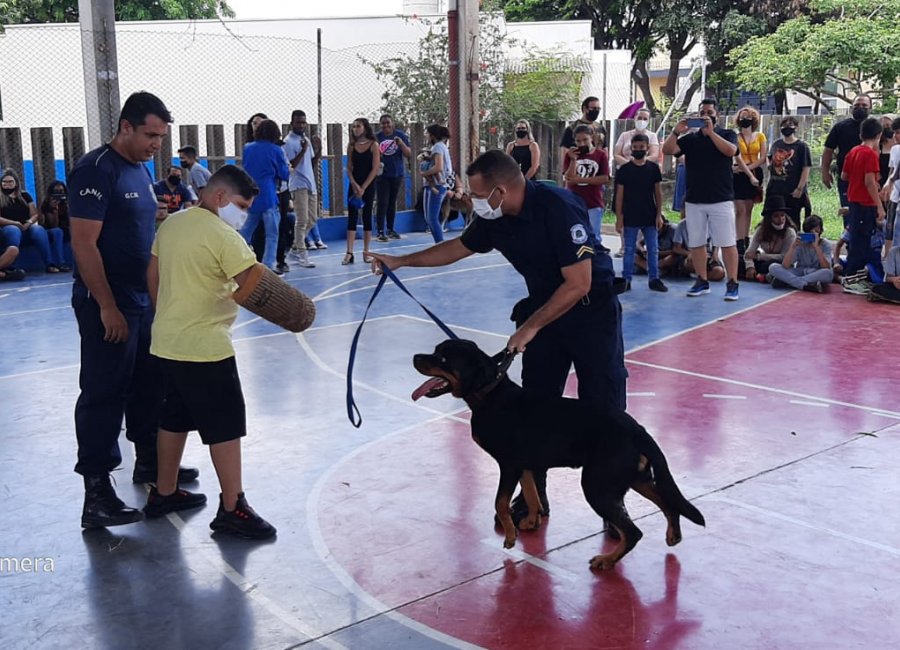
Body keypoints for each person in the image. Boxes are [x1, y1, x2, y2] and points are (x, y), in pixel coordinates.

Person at [368, 149, 627, 524]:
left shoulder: (558, 207)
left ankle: (611, 501)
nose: (471, 201)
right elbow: (458, 247)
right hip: (544, 311)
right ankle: (533, 498)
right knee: (535, 409)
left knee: (603, 406)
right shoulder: (495, 218)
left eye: (476, 195)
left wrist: (530, 327)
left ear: (500, 191)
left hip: (590, 311)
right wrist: (402, 261)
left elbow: (578, 282)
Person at [68, 91, 198, 529]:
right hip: (109, 302)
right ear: (125, 126)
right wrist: (106, 306)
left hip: (143, 301)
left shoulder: (140, 170)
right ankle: (97, 492)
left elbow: (132, 225)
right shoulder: (94, 169)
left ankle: (150, 465)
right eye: (150, 134)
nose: (156, 144)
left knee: (151, 385)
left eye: (161, 137)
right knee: (105, 392)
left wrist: (155, 214)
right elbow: (84, 244)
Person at [143, 164, 276, 539]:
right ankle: (234, 507)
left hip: (167, 341)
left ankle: (163, 493)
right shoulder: (223, 235)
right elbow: (254, 283)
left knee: (175, 417)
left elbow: (152, 274)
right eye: (241, 205)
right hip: (206, 347)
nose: (244, 214)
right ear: (219, 197)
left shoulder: (171, 224)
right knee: (225, 425)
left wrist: (167, 313)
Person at [662, 97, 741, 300]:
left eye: (709, 112)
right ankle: (701, 280)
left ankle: (732, 283)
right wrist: (676, 131)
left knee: (727, 242)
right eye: (702, 113)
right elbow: (668, 150)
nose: (706, 115)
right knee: (697, 243)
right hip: (695, 199)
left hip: (721, 198)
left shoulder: (727, 134)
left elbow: (731, 151)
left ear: (717, 115)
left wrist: (711, 133)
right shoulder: (690, 139)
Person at [614, 133, 667, 292]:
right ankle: (626, 279)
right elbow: (619, 196)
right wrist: (619, 218)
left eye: (641, 148)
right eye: (635, 148)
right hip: (630, 215)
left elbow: (658, 193)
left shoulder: (653, 169)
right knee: (629, 249)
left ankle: (654, 279)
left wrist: (659, 214)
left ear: (647, 148)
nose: (638, 150)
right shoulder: (624, 170)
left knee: (653, 248)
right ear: (631, 149)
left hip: (649, 214)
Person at [239, 119, 289, 273]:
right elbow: (284, 174)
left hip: (252, 194)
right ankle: (268, 266)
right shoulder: (276, 150)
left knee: (245, 233)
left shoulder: (248, 148)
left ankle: (239, 260)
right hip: (268, 195)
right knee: (272, 234)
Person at [841, 116, 886, 277]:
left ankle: (851, 274)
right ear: (878, 135)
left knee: (855, 238)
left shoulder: (853, 151)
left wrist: (857, 177)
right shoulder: (869, 154)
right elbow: (869, 182)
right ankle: (854, 276)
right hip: (865, 203)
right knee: (863, 242)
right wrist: (879, 205)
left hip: (853, 201)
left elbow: (844, 176)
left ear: (861, 135)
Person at [0, 169, 68, 273]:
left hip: (26, 227)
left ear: (16, 183)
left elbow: (35, 214)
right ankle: (10, 266)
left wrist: (29, 222)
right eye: (4, 181)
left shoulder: (25, 195)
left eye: (10, 181)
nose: (7, 184)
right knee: (13, 230)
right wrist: (14, 223)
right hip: (7, 228)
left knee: (38, 229)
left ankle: (50, 264)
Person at [822, 94, 873, 209]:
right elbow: (828, 150)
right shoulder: (840, 127)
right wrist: (825, 172)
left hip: (870, 178)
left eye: (864, 105)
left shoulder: (876, 127)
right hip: (846, 178)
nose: (860, 108)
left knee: (869, 215)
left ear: (870, 108)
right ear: (851, 108)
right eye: (857, 105)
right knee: (848, 212)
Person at [732, 106, 767, 265]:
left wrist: (748, 170)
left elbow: (763, 158)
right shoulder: (734, 136)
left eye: (748, 116)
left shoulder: (760, 136)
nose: (745, 119)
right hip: (737, 174)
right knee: (739, 209)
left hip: (754, 173)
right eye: (742, 116)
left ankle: (746, 240)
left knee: (748, 209)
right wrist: (737, 168)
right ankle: (738, 242)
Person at [284, 110, 318, 269]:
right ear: (292, 123)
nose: (301, 125)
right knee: (302, 219)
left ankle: (294, 249)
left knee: (312, 218)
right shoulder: (288, 142)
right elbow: (291, 165)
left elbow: (310, 162)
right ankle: (303, 255)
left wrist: (318, 149)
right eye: (298, 122)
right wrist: (303, 150)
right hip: (298, 184)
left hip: (310, 182)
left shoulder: (305, 140)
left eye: (303, 122)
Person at [344, 118, 381, 264]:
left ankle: (366, 251)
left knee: (367, 217)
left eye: (358, 126)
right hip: (354, 185)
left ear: (365, 128)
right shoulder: (351, 145)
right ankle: (349, 252)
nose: (355, 129)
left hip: (369, 185)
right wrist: (354, 184)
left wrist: (364, 187)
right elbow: (349, 167)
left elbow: (375, 168)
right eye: (353, 127)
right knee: (352, 216)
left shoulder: (373, 145)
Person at [563, 124, 609, 239]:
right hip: (574, 201)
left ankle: (595, 256)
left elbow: (604, 178)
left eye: (585, 140)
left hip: (593, 201)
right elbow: (569, 179)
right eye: (578, 141)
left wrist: (582, 179)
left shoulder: (600, 155)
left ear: (592, 138)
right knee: (576, 234)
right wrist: (573, 159)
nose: (582, 144)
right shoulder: (570, 155)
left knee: (594, 235)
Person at [766, 116, 812, 228]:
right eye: (784, 125)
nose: (787, 127)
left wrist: (799, 188)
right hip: (776, 188)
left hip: (793, 189)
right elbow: (769, 158)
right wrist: (770, 166)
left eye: (790, 125)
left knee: (793, 220)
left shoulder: (802, 146)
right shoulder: (776, 144)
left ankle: (793, 243)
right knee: (774, 219)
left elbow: (806, 168)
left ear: (796, 127)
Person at [768, 214, 833, 292]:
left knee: (828, 273)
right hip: (800, 271)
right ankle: (805, 285)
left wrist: (816, 247)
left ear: (821, 231)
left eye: (815, 232)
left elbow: (826, 266)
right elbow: (785, 265)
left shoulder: (825, 245)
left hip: (816, 273)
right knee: (773, 267)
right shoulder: (801, 243)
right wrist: (793, 247)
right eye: (809, 233)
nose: (812, 235)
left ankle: (788, 282)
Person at [744, 194, 797, 282]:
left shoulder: (790, 232)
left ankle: (766, 276)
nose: (780, 220)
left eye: (782, 215)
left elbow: (784, 257)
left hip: (780, 263)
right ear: (769, 218)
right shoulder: (761, 230)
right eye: (776, 216)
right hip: (763, 261)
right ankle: (757, 274)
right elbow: (749, 253)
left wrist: (759, 256)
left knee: (771, 266)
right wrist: (750, 267)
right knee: (738, 261)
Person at [375, 114, 412, 241]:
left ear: (392, 123)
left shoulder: (400, 135)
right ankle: (380, 230)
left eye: (387, 123)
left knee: (392, 202)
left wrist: (401, 144)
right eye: (383, 123)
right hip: (382, 175)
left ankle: (390, 229)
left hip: (397, 174)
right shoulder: (377, 137)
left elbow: (408, 154)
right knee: (382, 202)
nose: (385, 125)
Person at [419, 124, 452, 244]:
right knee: (429, 218)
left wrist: (424, 173)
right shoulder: (437, 147)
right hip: (431, 184)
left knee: (432, 218)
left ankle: (440, 244)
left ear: (432, 135)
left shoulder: (438, 147)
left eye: (427, 133)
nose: (426, 136)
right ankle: (438, 243)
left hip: (438, 184)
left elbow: (438, 167)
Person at [559, 96, 606, 178]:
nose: (596, 111)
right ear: (585, 109)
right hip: (577, 170)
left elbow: (605, 150)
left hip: (596, 171)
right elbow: (565, 151)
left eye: (598, 109)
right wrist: (566, 170)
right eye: (594, 108)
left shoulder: (600, 128)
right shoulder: (571, 128)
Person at [880, 116, 900, 253]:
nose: (896, 136)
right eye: (895, 132)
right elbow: (892, 170)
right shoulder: (895, 150)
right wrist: (888, 185)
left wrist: (891, 180)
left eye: (898, 132)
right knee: (890, 229)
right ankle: (888, 260)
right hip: (895, 197)